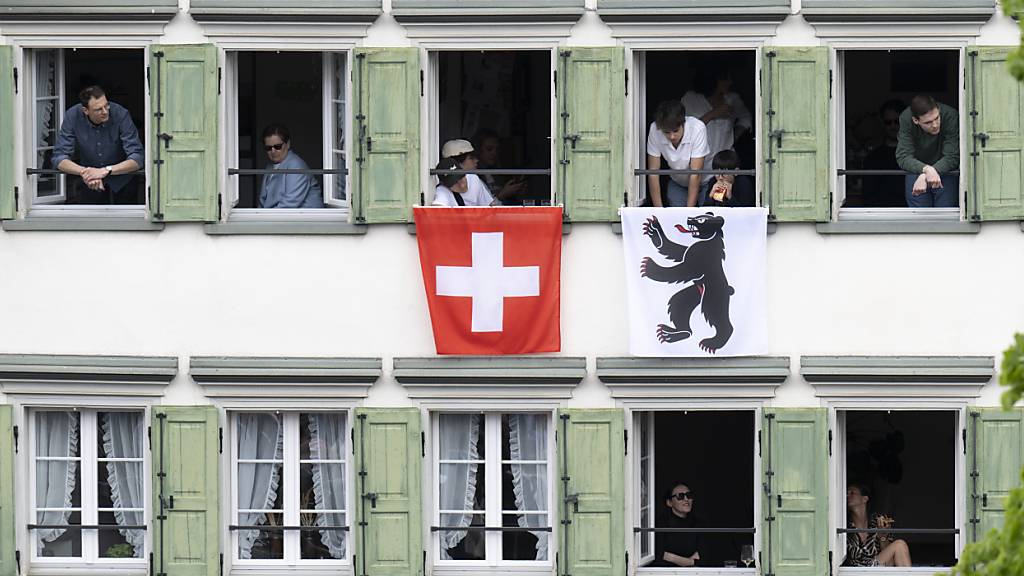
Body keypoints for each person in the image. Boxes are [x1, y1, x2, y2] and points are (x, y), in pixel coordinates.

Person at [53, 85, 144, 205]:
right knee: (92, 221)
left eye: (106, 105)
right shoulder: (72, 116)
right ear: (85, 110)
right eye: (98, 109)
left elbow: (138, 157)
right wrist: (86, 172)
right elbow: (59, 158)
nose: (105, 111)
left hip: (123, 179)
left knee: (126, 220)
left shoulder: (121, 114)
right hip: (90, 181)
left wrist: (106, 170)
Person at [682, 65, 752, 173]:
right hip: (696, 165)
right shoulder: (691, 99)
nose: (730, 82)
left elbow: (745, 117)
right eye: (725, 79)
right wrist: (713, 114)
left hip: (724, 166)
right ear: (711, 80)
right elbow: (685, 130)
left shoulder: (732, 99)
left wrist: (735, 135)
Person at [895, 94, 959, 208]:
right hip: (916, 170)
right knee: (919, 219)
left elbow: (953, 156)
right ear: (915, 120)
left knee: (945, 217)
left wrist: (925, 174)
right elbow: (903, 156)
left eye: (937, 118)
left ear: (938, 110)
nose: (935, 125)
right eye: (928, 122)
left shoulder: (950, 115)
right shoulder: (906, 118)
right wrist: (926, 170)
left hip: (946, 170)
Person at [646, 100, 710, 207]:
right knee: (675, 219)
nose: (672, 136)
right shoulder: (654, 129)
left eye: (675, 131)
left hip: (706, 181)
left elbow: (696, 174)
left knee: (706, 218)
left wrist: (689, 212)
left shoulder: (697, 128)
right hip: (678, 182)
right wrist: (658, 210)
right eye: (666, 132)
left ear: (683, 123)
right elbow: (653, 172)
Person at [843, 483, 911, 567]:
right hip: (854, 571)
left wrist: (882, 536)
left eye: (852, 493)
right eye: (846, 493)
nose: (847, 496)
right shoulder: (843, 525)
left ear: (865, 499)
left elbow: (889, 562)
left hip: (877, 569)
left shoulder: (879, 521)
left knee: (900, 545)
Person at [259, 124, 324, 209]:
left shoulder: (296, 166)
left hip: (305, 219)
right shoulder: (270, 167)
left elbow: (289, 203)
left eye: (277, 147)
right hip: (278, 218)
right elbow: (262, 201)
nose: (273, 151)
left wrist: (264, 219)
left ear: (288, 144)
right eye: (268, 148)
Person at [862, 100, 907, 208]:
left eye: (897, 121)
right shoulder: (872, 158)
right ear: (882, 123)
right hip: (880, 216)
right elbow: (868, 196)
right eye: (888, 122)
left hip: (910, 215)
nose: (893, 126)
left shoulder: (916, 156)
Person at [441, 139, 504, 205]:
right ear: (457, 163)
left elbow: (491, 207)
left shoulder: (474, 180)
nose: (476, 160)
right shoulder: (441, 188)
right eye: (471, 158)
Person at [653, 482, 701, 567]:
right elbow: (657, 557)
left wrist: (670, 557)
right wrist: (691, 562)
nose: (686, 499)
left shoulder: (698, 524)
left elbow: (705, 558)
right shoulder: (660, 524)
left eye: (689, 495)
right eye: (680, 496)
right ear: (669, 503)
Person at [472, 129, 526, 203]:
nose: (494, 153)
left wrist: (518, 192)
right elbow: (479, 205)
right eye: (489, 149)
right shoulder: (472, 176)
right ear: (478, 150)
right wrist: (502, 195)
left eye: (497, 149)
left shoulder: (499, 172)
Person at [432, 158, 496, 207]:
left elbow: (491, 206)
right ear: (445, 185)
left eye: (461, 177)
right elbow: (437, 208)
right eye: (454, 182)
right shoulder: (442, 190)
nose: (462, 185)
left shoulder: (473, 179)